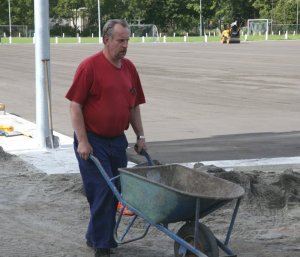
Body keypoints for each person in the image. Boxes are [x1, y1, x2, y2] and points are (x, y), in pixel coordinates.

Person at [65, 19, 147, 257]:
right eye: (120, 40)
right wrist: (83, 141)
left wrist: (140, 135)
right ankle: (103, 246)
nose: (125, 45)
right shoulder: (89, 67)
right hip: (92, 140)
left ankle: (95, 236)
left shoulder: (129, 68)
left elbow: (134, 107)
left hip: (117, 140)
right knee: (101, 190)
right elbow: (75, 106)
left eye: (127, 40)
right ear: (106, 39)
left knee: (115, 192)